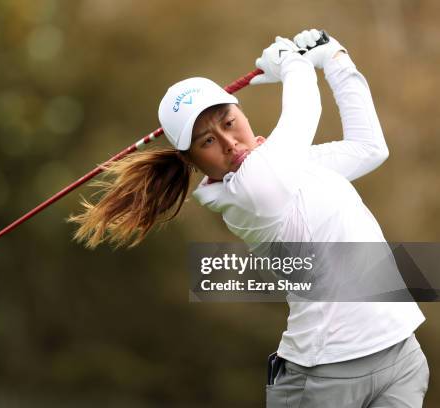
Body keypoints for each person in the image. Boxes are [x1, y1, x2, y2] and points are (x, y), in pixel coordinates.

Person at [68, 29, 429, 406]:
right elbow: (305, 110)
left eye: (228, 122)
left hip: (399, 354)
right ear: (191, 162)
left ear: (241, 110)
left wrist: (336, 60)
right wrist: (292, 63)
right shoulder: (249, 194)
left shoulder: (286, 163)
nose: (228, 143)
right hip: (325, 377)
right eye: (207, 141)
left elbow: (369, 148)